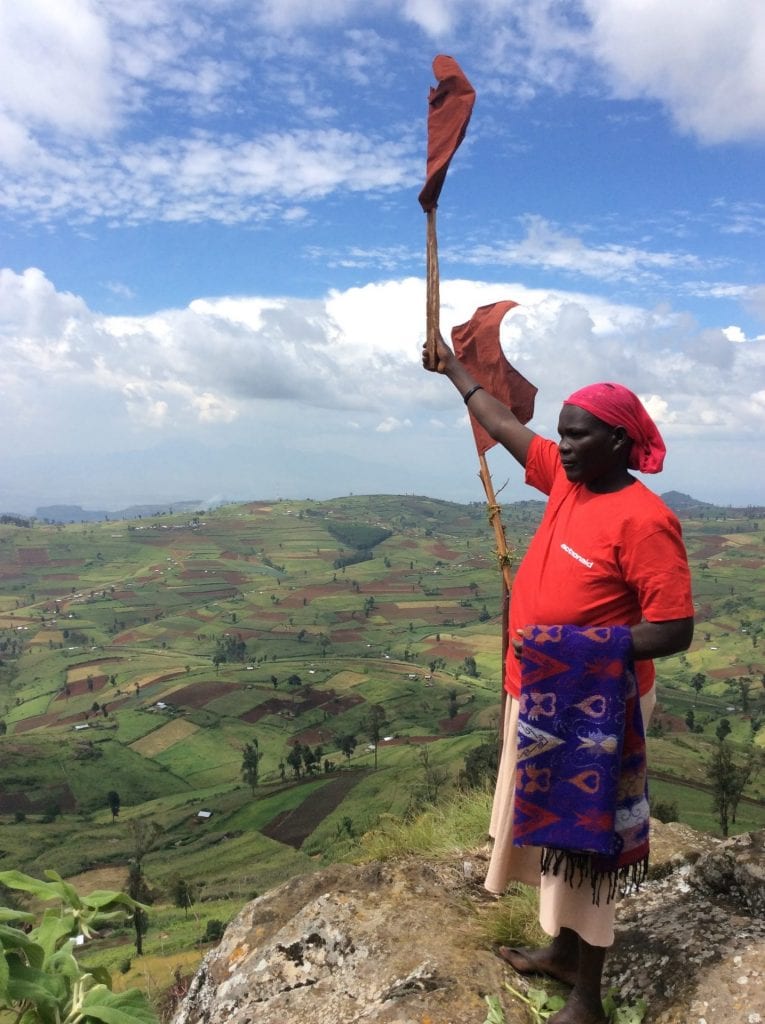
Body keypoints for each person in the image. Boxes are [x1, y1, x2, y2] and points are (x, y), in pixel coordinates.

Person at [423, 335, 694, 1024]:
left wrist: (577, 648)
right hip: (540, 690)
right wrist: (453, 368)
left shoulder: (645, 519)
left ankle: (587, 1000)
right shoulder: (566, 480)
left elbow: (673, 629)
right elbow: (504, 424)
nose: (562, 446)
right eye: (563, 436)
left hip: (597, 704)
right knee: (556, 836)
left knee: (589, 845)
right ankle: (563, 955)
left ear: (617, 442)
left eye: (578, 437)